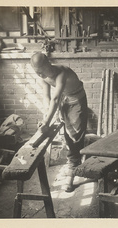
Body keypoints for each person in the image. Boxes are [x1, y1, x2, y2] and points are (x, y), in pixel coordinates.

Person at [30, 52, 88, 192]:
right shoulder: (43, 75)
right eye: (37, 73)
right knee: (65, 133)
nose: (40, 76)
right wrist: (46, 118)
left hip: (77, 100)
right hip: (65, 99)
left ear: (48, 64)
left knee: (75, 136)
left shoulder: (62, 72)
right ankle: (72, 165)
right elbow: (47, 97)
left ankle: (73, 172)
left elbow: (55, 100)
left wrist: (47, 122)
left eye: (41, 72)